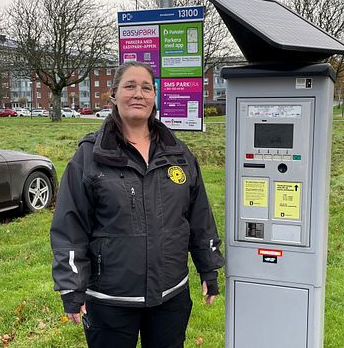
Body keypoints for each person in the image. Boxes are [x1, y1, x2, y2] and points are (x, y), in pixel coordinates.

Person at [50, 62, 224, 348]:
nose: (138, 94)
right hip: (111, 301)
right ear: (114, 96)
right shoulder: (90, 156)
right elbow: (70, 226)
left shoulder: (178, 154)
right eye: (129, 86)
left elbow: (199, 216)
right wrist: (71, 287)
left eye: (146, 87)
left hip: (171, 294)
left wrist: (208, 268)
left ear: (154, 97)